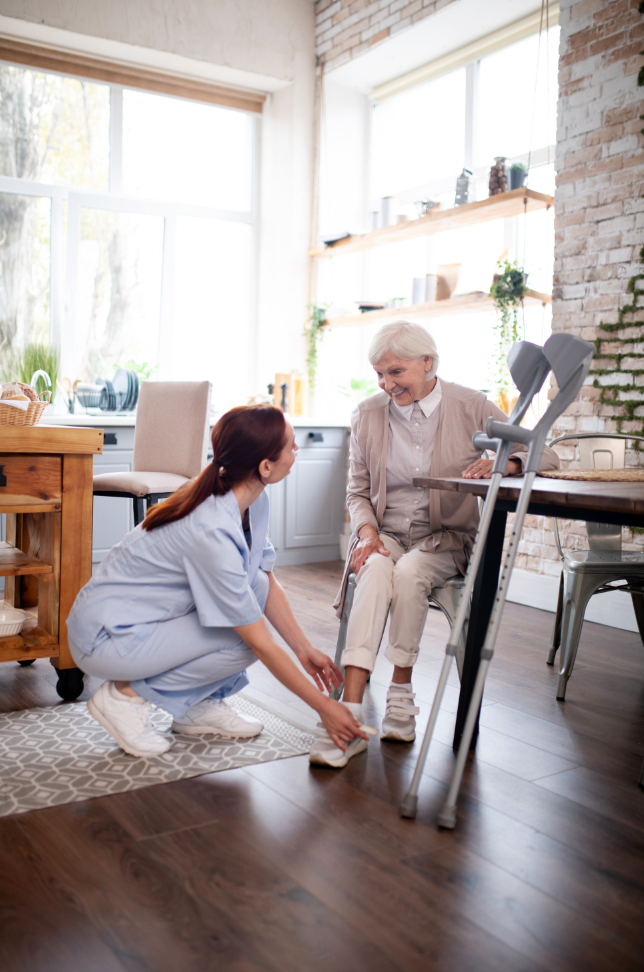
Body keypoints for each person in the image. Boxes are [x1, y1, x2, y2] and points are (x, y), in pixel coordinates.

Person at [309, 320, 559, 768]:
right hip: (385, 533)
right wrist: (366, 534)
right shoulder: (367, 413)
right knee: (377, 569)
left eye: (397, 372)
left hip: (445, 540)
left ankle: (400, 693)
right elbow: (357, 490)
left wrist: (513, 460)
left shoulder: (470, 404)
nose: (387, 385)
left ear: (428, 363)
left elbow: (547, 449)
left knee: (408, 573)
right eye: (380, 374)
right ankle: (348, 710)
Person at [68, 405, 363, 758]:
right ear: (266, 466)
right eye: (292, 447)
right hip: (106, 637)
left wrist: (304, 648)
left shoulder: (252, 500)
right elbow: (261, 644)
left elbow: (263, 577)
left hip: (146, 622)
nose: (296, 453)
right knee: (245, 641)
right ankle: (124, 697)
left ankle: (195, 706)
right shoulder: (211, 528)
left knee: (252, 592)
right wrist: (325, 707)